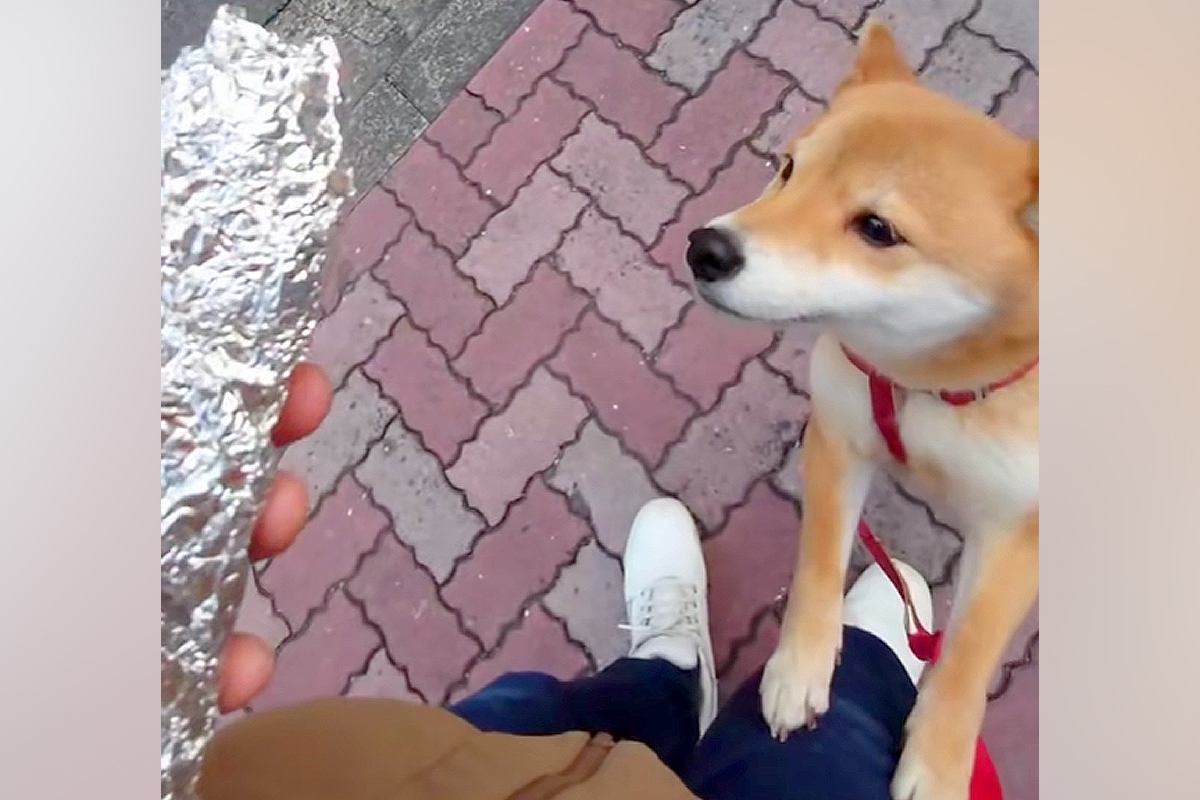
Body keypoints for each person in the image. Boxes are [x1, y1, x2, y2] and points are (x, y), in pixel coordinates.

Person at [206, 364, 933, 800]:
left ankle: (669, 678)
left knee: (538, 708)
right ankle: (861, 673)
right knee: (822, 738)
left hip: (384, 776)